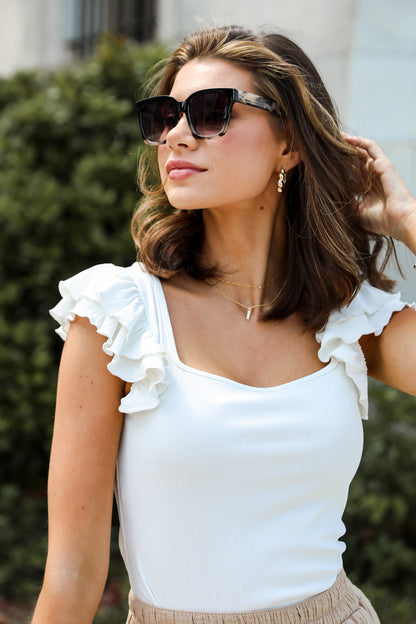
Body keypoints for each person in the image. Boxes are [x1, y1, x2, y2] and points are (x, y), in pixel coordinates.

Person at [31, 25, 416, 624]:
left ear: (289, 144)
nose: (178, 135)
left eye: (212, 112)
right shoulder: (118, 316)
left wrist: (406, 220)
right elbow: (72, 574)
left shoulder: (348, 316)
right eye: (165, 116)